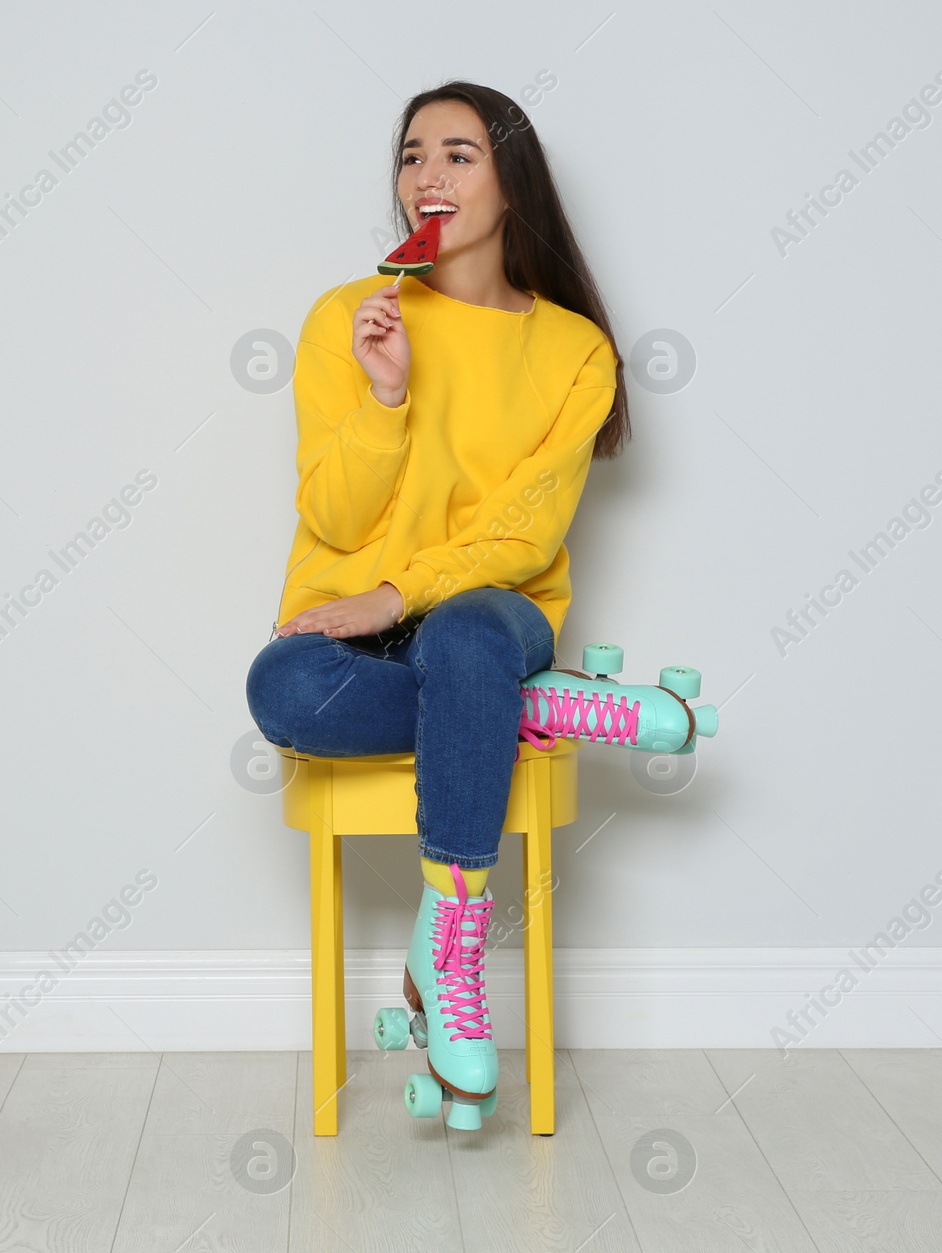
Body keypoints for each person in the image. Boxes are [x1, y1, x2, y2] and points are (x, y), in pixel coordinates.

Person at [245, 79, 630, 1126]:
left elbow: (526, 534)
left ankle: (451, 949)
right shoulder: (344, 317)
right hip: (357, 636)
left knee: (463, 633)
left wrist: (394, 595)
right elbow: (330, 510)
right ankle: (525, 707)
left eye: (459, 154)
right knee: (280, 685)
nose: (428, 175)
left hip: (490, 615)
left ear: (513, 182)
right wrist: (383, 396)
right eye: (413, 155)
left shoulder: (573, 350)